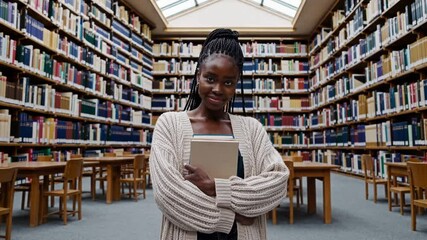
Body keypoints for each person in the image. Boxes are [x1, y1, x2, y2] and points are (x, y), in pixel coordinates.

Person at [150, 28, 289, 240]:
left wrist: (215, 187)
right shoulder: (169, 125)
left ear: (235, 85)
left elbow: (277, 183)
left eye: (228, 82)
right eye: (210, 78)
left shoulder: (251, 129)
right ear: (198, 76)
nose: (217, 89)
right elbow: (169, 195)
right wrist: (232, 217)